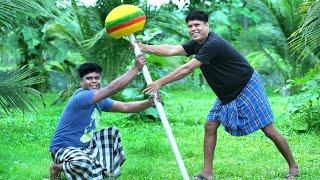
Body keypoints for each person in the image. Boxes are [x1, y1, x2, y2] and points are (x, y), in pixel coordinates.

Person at [139, 10, 298, 180]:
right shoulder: (196, 43)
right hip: (226, 94)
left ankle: (293, 168)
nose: (193, 29)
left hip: (247, 86)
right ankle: (207, 173)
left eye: (197, 25)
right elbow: (172, 49)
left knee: (268, 129)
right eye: (190, 26)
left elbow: (188, 68)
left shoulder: (213, 44)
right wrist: (144, 47)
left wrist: (159, 82)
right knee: (210, 125)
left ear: (207, 26)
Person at [49, 55, 158, 180]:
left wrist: (149, 103)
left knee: (112, 133)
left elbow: (125, 106)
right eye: (89, 78)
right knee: (84, 163)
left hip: (85, 147)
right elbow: (113, 88)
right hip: (63, 149)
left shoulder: (101, 100)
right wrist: (135, 68)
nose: (94, 81)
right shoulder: (82, 96)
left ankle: (101, 173)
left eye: (97, 78)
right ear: (81, 82)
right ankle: (56, 167)